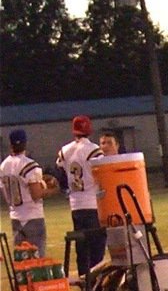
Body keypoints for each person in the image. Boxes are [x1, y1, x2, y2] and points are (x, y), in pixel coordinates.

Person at [57, 115, 105, 276]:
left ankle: (84, 280)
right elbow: (101, 173)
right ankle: (95, 282)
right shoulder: (94, 150)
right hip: (92, 202)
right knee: (97, 248)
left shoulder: (65, 150)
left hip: (75, 204)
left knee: (82, 247)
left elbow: (61, 172)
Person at [0, 128, 55, 258]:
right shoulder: (29, 165)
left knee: (22, 261)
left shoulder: (3, 166)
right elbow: (36, 194)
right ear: (25, 143)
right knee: (37, 261)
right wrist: (51, 190)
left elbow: (6, 196)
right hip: (32, 216)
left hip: (15, 217)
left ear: (11, 144)